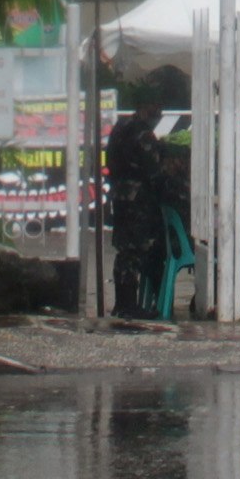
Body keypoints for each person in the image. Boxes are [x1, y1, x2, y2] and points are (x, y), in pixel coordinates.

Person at [103, 102, 170, 319]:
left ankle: (122, 303)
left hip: (120, 196)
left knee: (124, 251)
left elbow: (110, 162)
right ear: (144, 108)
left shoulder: (120, 129)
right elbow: (155, 172)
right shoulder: (142, 134)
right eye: (155, 110)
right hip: (139, 200)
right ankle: (130, 305)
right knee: (138, 251)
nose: (158, 115)